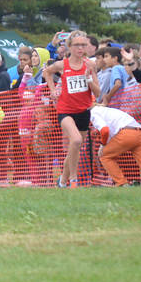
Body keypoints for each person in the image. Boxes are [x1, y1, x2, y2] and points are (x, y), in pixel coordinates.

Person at [43, 31, 100, 188]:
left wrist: (88, 78)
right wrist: (53, 90)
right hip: (65, 111)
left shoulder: (90, 65)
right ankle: (73, 181)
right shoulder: (63, 64)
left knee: (75, 148)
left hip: (83, 111)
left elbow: (98, 92)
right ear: (70, 47)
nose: (80, 48)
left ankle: (62, 181)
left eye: (83, 45)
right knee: (75, 140)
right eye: (77, 45)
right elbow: (47, 72)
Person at [90, 104, 141, 187]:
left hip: (126, 134)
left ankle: (122, 183)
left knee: (104, 155)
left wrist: (103, 145)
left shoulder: (92, 113)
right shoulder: (107, 110)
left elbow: (104, 130)